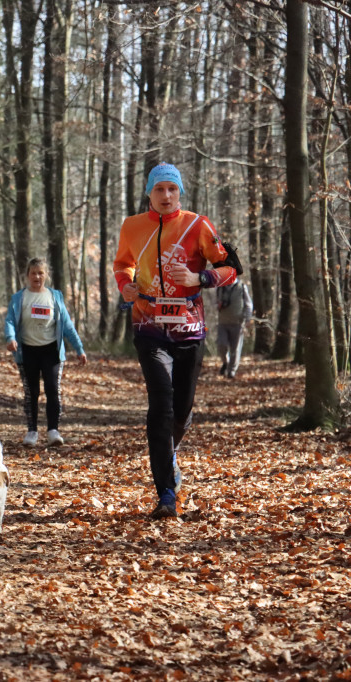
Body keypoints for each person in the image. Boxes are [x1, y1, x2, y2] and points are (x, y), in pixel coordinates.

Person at [113, 163, 236, 519]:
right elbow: (123, 265)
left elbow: (230, 269)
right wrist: (127, 285)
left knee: (180, 409)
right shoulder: (133, 226)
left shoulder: (199, 225)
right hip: (148, 326)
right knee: (161, 406)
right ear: (149, 193)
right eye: (159, 190)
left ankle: (170, 452)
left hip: (189, 330)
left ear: (179, 192)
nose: (166, 196)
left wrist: (201, 278)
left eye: (172, 190)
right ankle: (166, 492)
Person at [3, 258, 87, 447]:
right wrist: (10, 338)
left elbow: (67, 325)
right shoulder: (19, 298)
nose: (37, 276)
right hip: (28, 351)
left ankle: (53, 431)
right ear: (27, 275)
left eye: (41, 273)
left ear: (46, 275)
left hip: (51, 351)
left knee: (52, 389)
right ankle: (32, 431)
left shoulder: (54, 297)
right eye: (33, 273)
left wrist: (79, 349)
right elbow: (9, 321)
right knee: (30, 392)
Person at [216, 277, 253, 378]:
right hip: (222, 322)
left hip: (237, 323)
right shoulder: (220, 287)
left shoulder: (241, 287)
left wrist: (248, 319)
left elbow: (248, 304)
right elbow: (216, 302)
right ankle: (225, 362)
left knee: (235, 349)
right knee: (221, 345)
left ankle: (231, 371)